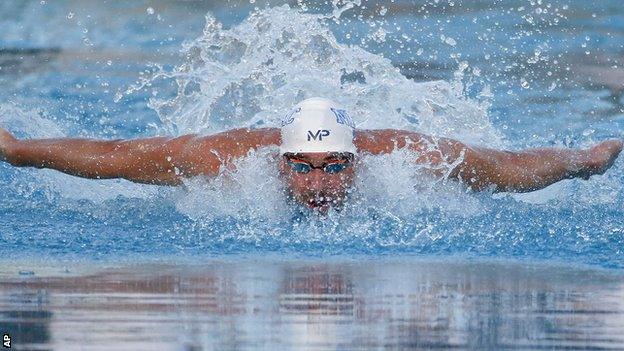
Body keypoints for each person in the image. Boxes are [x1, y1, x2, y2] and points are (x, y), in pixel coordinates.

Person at [0, 97, 621, 212]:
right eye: (303, 166)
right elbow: (114, 155)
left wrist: (581, 161)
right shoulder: (224, 161)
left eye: (334, 166)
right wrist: (20, 151)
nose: (320, 184)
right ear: (279, 160)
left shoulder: (409, 159)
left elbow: (506, 168)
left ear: (358, 161)